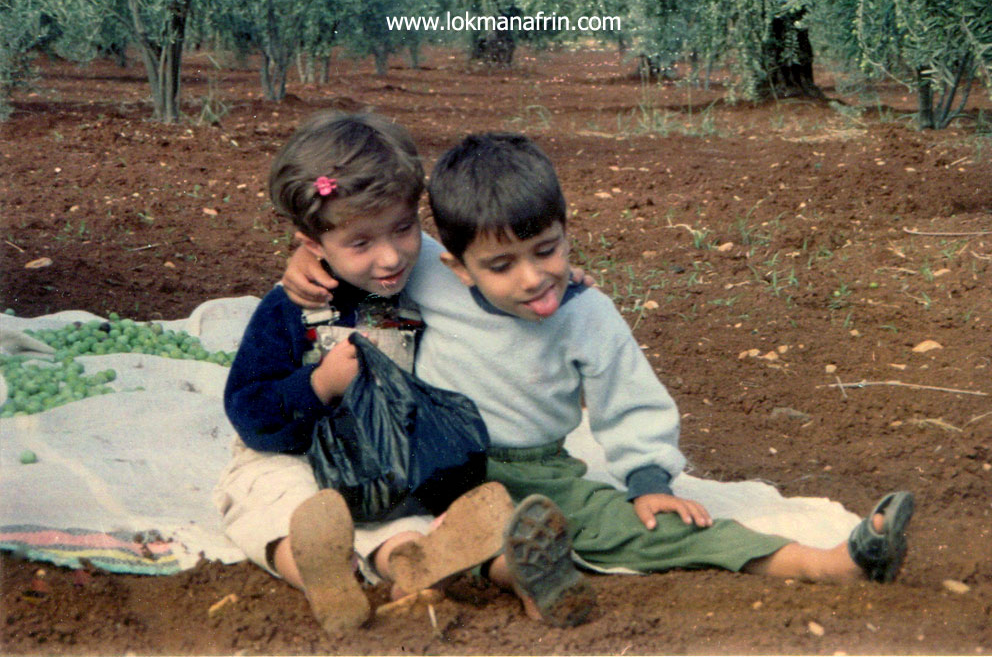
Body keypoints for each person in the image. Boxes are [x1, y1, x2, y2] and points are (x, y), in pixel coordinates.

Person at [282, 131, 915, 588]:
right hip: (438, 464)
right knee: (382, 517)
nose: (532, 278)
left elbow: (630, 400)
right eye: (502, 265)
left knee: (644, 529)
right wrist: (306, 258)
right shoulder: (425, 270)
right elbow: (364, 240)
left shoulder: (588, 315)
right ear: (459, 267)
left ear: (565, 230)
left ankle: (823, 563)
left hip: (541, 472)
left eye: (547, 250)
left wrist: (649, 482)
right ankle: (487, 564)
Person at [213, 113, 595, 637]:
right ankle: (327, 578)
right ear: (313, 244)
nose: (391, 256)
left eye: (403, 228)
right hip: (293, 455)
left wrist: (552, 283)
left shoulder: (425, 283)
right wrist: (319, 384)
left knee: (420, 523)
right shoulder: (292, 310)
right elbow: (248, 410)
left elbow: (496, 281)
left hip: (393, 462)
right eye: (361, 243)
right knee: (280, 504)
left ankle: (503, 570)